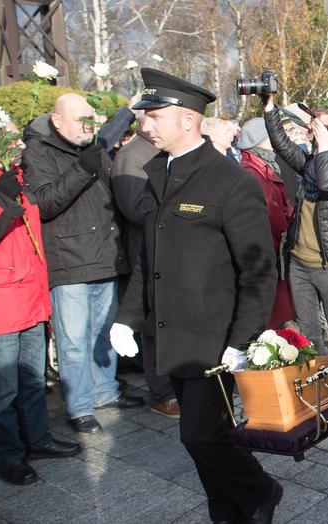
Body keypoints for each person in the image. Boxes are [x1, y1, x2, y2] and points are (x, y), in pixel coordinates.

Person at [110, 68, 282, 524]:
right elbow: (150, 258)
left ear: (188, 119)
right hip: (172, 332)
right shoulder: (158, 173)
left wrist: (243, 340)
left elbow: (259, 271)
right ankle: (227, 510)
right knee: (208, 435)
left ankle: (260, 490)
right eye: (144, 115)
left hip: (213, 338)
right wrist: (127, 317)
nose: (144, 124)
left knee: (199, 435)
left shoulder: (229, 181)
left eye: (155, 115)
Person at [22, 94, 143, 435]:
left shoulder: (87, 143)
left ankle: (104, 391)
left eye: (91, 118)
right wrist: (84, 168)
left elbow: (108, 132)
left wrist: (129, 111)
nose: (88, 125)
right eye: (81, 120)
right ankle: (79, 406)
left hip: (105, 255)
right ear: (57, 121)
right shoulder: (39, 151)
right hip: (71, 260)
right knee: (73, 340)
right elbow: (45, 203)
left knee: (103, 332)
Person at [0, 108, 80, 485]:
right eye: (9, 138)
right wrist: (1, 203)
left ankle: (37, 439)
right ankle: (7, 455)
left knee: (34, 381)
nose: (18, 144)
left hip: (30, 297)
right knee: (1, 391)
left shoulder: (17, 177)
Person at [263, 95, 328, 355]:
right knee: (309, 335)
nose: (313, 152)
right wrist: (269, 109)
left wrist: (322, 146)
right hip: (299, 265)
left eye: (321, 148)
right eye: (315, 147)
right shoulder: (312, 168)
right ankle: (317, 390)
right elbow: (283, 145)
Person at [111, 110, 179, 419]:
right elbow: (134, 208)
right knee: (154, 326)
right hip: (146, 251)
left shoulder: (163, 150)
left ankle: (175, 383)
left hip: (171, 249)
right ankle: (161, 393)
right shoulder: (131, 156)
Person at [237, 117, 295, 328]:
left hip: (273, 243)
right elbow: (271, 210)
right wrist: (287, 227)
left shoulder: (262, 165)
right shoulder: (253, 171)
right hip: (269, 244)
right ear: (261, 141)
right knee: (273, 309)